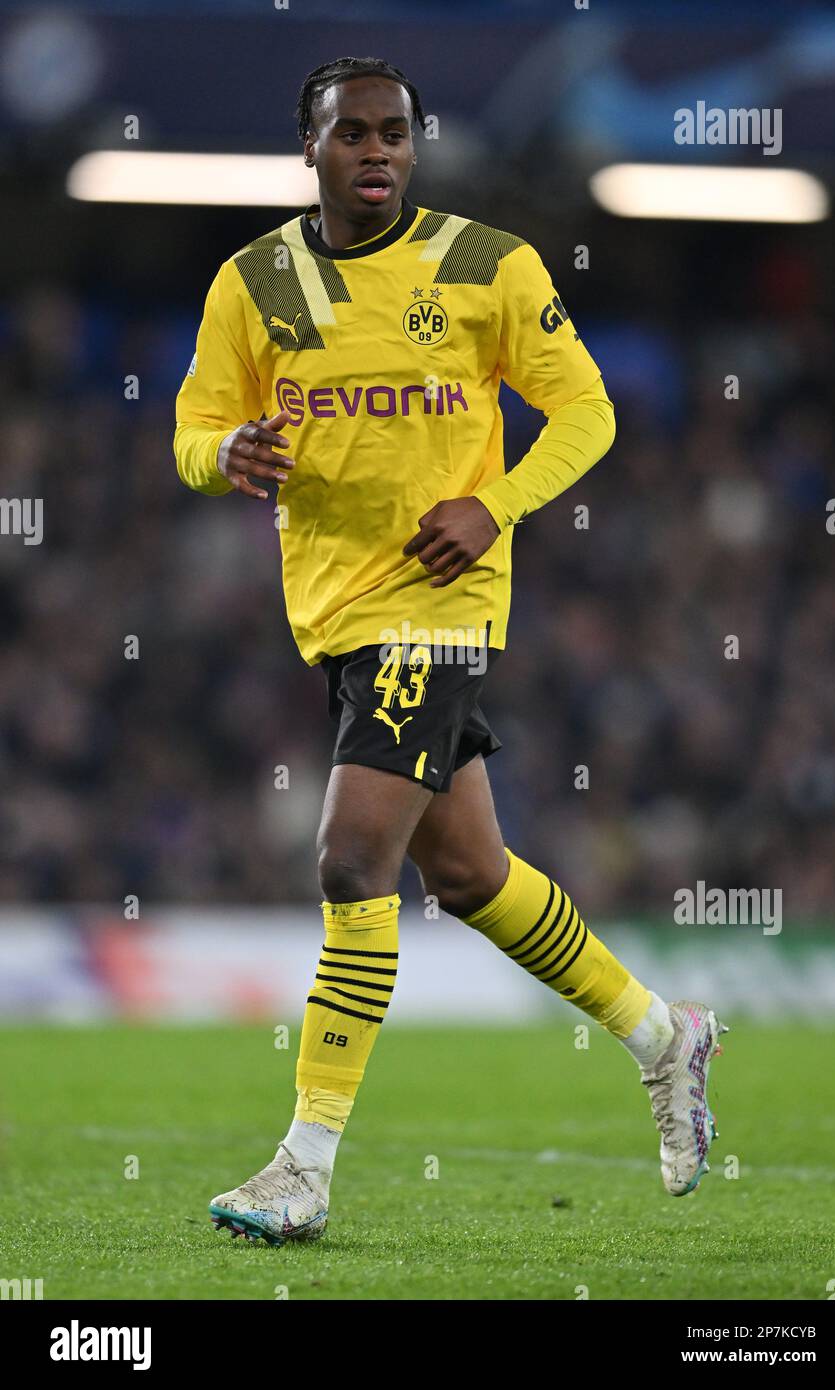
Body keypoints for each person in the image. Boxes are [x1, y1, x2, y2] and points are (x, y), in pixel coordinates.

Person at [174, 56, 726, 1246]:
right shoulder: (253, 283)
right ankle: (660, 1035)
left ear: (414, 147)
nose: (377, 151)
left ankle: (303, 1167)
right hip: (334, 614)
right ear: (308, 146)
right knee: (469, 873)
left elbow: (586, 409)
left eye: (396, 133)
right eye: (351, 133)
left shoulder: (486, 267)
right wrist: (222, 457)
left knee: (345, 860)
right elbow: (192, 423)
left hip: (440, 602)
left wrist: (498, 503)